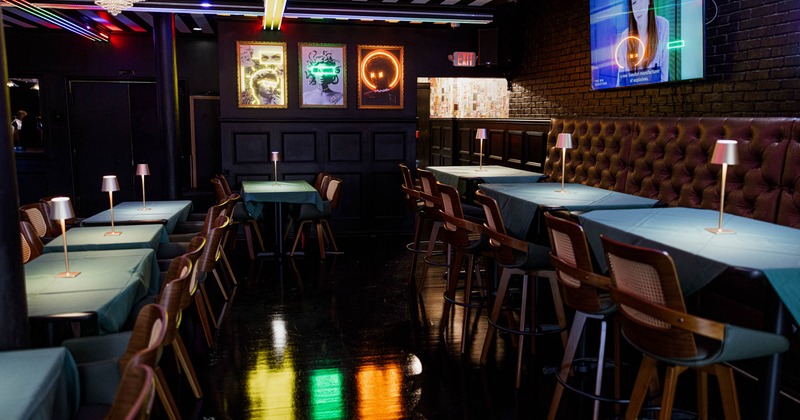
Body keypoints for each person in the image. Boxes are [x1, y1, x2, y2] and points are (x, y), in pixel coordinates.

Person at [615, 0, 669, 87]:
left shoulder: (663, 25)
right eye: (634, 3)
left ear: (649, 1)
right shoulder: (625, 36)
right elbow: (620, 81)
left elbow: (664, 75)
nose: (638, 8)